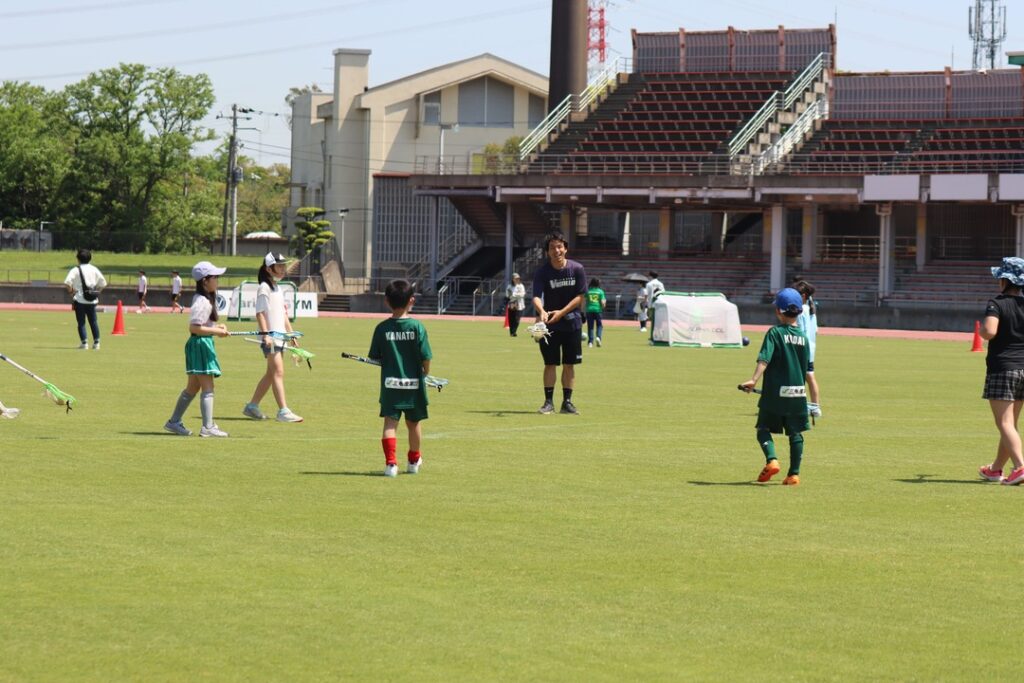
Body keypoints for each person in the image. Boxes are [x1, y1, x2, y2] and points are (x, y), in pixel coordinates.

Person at [739, 288, 811, 486]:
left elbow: (764, 359)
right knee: (796, 433)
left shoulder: (774, 333)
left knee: (763, 428)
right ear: (799, 311)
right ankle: (793, 474)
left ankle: (772, 460)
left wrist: (753, 380)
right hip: (798, 393)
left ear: (778, 310)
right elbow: (806, 369)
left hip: (775, 394)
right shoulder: (804, 338)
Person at [369, 279, 433, 477]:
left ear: (386, 301)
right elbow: (426, 357)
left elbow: (375, 356)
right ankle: (413, 461)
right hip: (414, 385)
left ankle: (391, 465)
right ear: (411, 300)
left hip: (391, 385)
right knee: (414, 424)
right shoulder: (417, 327)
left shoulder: (381, 328)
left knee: (390, 424)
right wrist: (425, 372)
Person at [163, 261, 230, 438]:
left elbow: (203, 325)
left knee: (192, 388)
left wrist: (217, 327)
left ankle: (174, 422)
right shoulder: (202, 301)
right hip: (201, 344)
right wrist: (217, 331)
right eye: (215, 277)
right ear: (205, 281)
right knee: (208, 387)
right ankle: (208, 427)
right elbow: (194, 327)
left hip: (200, 343)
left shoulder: (204, 299)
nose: (217, 280)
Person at [978, 257, 1024, 485]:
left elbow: (989, 331)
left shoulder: (997, 303)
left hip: (1003, 368)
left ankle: (1020, 467)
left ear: (1004, 281)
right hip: (1023, 367)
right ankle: (995, 469)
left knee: (1004, 423)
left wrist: (982, 331)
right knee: (1010, 424)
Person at [244, 253, 304, 423]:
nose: (283, 269)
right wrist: (266, 335)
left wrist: (291, 334)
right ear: (269, 269)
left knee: (271, 374)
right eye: (279, 266)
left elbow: (283, 315)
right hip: (270, 339)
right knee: (278, 372)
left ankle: (252, 406)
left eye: (284, 266)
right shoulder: (264, 287)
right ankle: (283, 411)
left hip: (280, 338)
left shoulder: (277, 287)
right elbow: (260, 313)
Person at [532, 232, 587, 415]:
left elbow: (580, 297)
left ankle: (567, 403)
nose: (556, 250)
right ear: (547, 252)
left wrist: (561, 312)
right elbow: (536, 296)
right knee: (550, 364)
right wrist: (542, 311)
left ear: (565, 248)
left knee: (569, 364)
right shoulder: (542, 272)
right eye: (552, 247)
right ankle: (548, 403)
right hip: (549, 326)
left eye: (559, 246)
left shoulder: (577, 269)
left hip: (572, 324)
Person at [63, 248, 107, 350]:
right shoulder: (94, 269)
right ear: (90, 258)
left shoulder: (75, 270)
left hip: (79, 300)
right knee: (93, 321)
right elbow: (103, 283)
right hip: (92, 300)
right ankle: (97, 343)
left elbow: (67, 283)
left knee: (81, 322)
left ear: (78, 259)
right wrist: (96, 293)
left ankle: (84, 343)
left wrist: (71, 292)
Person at [792, 279, 822, 418]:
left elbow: (800, 331)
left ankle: (797, 406)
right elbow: (815, 331)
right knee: (810, 377)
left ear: (803, 295)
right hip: (811, 349)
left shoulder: (801, 310)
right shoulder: (811, 310)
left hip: (801, 349)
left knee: (797, 378)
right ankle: (815, 407)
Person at [585, 277, 606, 348]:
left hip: (589, 310)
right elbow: (603, 303)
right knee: (599, 325)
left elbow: (584, 301)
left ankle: (590, 342)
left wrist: (582, 310)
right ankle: (598, 337)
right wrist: (603, 306)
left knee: (590, 326)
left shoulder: (588, 291)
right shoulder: (600, 291)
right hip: (597, 310)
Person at [505, 273, 526, 337]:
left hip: (519, 305)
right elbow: (507, 295)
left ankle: (514, 332)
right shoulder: (509, 286)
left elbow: (522, 294)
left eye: (518, 278)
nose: (517, 279)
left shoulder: (521, 286)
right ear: (513, 279)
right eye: (516, 278)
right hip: (511, 304)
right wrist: (511, 296)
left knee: (517, 320)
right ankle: (511, 332)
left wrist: (514, 295)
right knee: (511, 319)